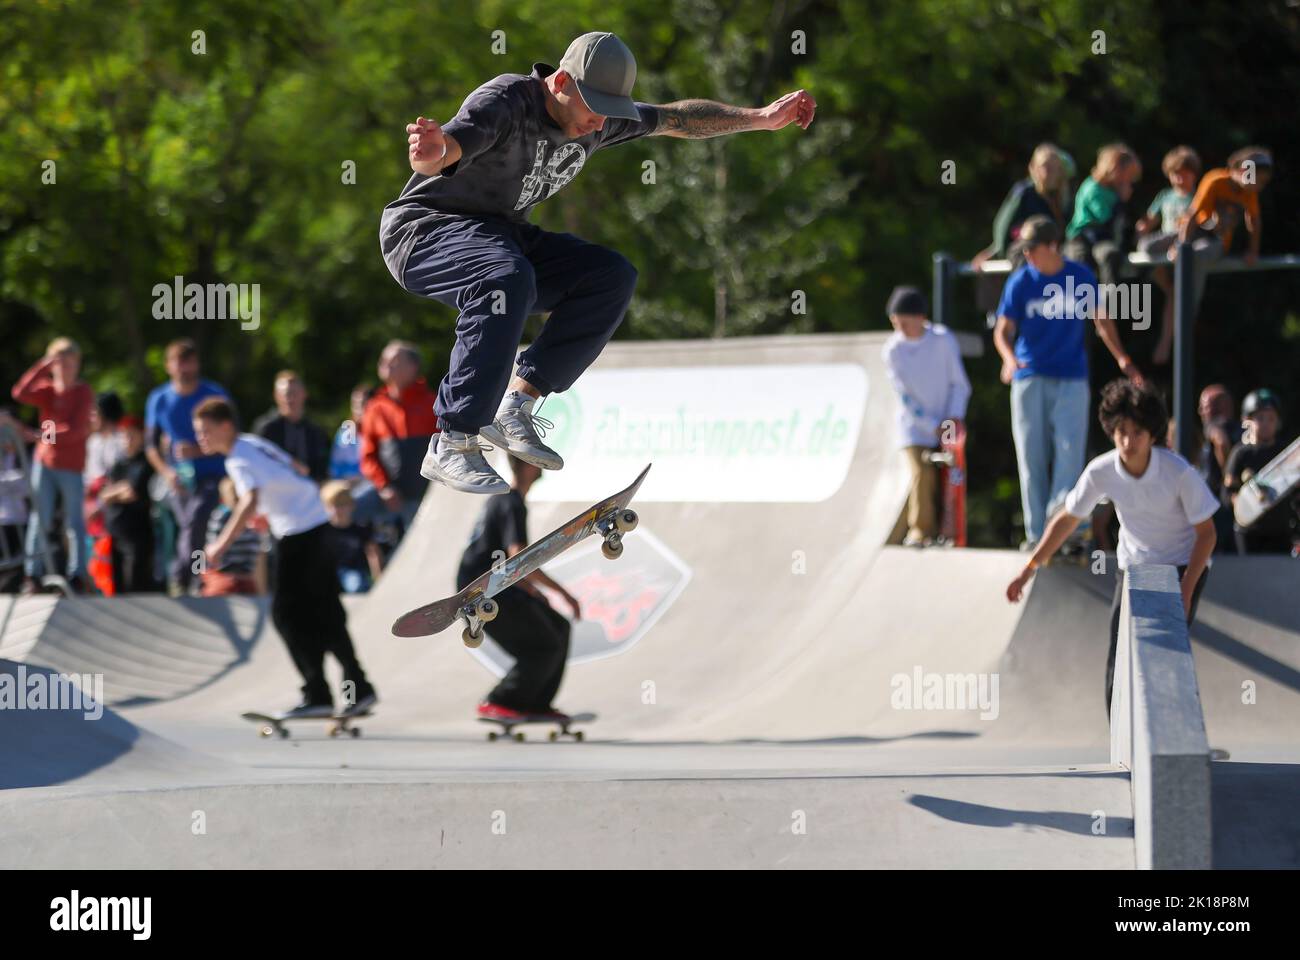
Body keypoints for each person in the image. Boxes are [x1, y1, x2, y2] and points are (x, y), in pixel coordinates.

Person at [382, 31, 816, 493]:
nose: (598, 125)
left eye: (608, 115)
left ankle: (517, 405)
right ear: (562, 82)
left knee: (609, 276)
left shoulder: (601, 119)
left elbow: (676, 119)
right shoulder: (508, 100)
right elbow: (453, 145)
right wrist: (435, 154)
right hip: (426, 231)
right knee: (505, 277)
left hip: (501, 235)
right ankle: (453, 440)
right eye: (593, 112)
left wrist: (760, 118)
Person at [1005, 380, 1217, 712]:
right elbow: (1067, 520)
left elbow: (1207, 534)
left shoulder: (1177, 472)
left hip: (1181, 565)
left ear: (1151, 434)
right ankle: (1121, 739)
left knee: (1165, 650)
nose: (1128, 441)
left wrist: (1186, 589)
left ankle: (1177, 732)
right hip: (1133, 566)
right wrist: (1028, 569)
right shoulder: (1101, 471)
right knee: (1120, 649)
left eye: (1136, 433)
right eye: (1120, 432)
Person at [194, 398, 377, 717]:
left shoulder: (237, 459)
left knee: (286, 614)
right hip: (317, 524)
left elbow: (249, 499)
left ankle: (317, 692)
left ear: (225, 427)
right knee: (326, 610)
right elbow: (298, 469)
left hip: (300, 535)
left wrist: (219, 545)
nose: (201, 439)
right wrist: (272, 510)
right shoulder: (253, 443)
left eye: (206, 432)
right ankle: (358, 688)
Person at [993, 216, 1143, 549]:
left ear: (1053, 247)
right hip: (1029, 377)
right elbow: (1002, 331)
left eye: (1033, 250)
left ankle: (1057, 530)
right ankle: (1036, 535)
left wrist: (1123, 359)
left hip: (1071, 378)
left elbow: (1102, 322)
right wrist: (1007, 358)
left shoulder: (1080, 276)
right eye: (1025, 251)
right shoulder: (1020, 282)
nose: (1028, 256)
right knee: (1031, 456)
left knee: (1069, 454)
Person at [457, 455, 581, 722]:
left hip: (496, 584)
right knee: (544, 646)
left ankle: (536, 703)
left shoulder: (501, 499)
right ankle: (498, 701)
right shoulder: (511, 502)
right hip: (484, 591)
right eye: (539, 462)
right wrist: (561, 592)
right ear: (528, 465)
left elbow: (509, 562)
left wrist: (533, 591)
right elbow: (519, 557)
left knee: (559, 627)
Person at [881, 286, 971, 546]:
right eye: (896, 323)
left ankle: (951, 530)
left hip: (949, 422)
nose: (901, 330)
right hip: (914, 427)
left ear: (921, 317)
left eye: (905, 323)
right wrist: (932, 426)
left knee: (950, 474)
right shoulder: (892, 351)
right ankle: (921, 530)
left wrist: (953, 419)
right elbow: (904, 396)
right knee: (922, 470)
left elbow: (959, 383)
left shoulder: (943, 340)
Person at [144, 339, 230, 593]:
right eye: (179, 363)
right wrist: (167, 472)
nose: (184, 369)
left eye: (189, 362)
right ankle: (196, 576)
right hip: (178, 477)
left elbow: (230, 437)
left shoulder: (214, 394)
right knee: (190, 529)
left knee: (196, 521)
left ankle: (185, 578)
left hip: (213, 474)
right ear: (169, 366)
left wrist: (197, 450)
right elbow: (150, 445)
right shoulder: (159, 399)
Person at [11, 337, 94, 593]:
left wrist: (43, 436)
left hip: (70, 466)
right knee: (40, 519)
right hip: (44, 464)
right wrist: (42, 366)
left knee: (74, 522)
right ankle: (32, 575)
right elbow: (20, 393)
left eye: (69, 363)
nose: (64, 368)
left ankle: (77, 574)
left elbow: (77, 429)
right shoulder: (47, 390)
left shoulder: (82, 392)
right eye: (60, 363)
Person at [1177, 147, 1273, 317]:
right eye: (1259, 180)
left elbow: (1254, 221)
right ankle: (1173, 291)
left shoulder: (1249, 193)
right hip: (1194, 233)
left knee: (1197, 255)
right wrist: (1182, 246)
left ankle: (1189, 307)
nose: (1259, 187)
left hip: (1216, 242)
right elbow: (1193, 215)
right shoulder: (1216, 180)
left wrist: (1253, 251)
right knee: (1150, 246)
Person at [356, 342, 439, 535]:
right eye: (383, 360)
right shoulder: (375, 407)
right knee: (345, 510)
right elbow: (368, 456)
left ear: (413, 367)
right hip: (387, 495)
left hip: (425, 497)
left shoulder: (432, 403)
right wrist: (384, 487)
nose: (386, 364)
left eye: (394, 360)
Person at [1134, 146, 1201, 366]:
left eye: (1185, 173)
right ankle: (1165, 342)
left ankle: (1166, 343)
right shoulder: (1165, 196)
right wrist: (1142, 226)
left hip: (1181, 243)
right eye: (1176, 174)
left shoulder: (1197, 198)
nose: (1180, 179)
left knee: (1177, 297)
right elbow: (1150, 221)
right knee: (1146, 247)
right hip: (1163, 246)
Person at [1222, 388, 1294, 555]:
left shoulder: (1284, 453)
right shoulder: (1241, 453)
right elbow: (1228, 492)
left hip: (1280, 530)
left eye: (1271, 419)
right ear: (1247, 421)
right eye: (1260, 418)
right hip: (1249, 532)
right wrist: (1245, 506)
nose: (1266, 424)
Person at [1064, 144, 1142, 287]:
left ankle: (1107, 304)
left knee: (1110, 255)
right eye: (1128, 175)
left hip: (1101, 240)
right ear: (1115, 169)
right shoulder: (1093, 188)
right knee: (1081, 262)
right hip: (1082, 238)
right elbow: (1105, 218)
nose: (1129, 181)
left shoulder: (1113, 190)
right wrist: (1121, 202)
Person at [98, 416, 159, 593]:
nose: (127, 440)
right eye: (124, 436)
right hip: (115, 532)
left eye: (132, 435)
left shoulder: (145, 462)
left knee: (135, 583)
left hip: (137, 533)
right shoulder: (118, 463)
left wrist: (114, 492)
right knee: (116, 586)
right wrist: (119, 490)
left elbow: (132, 492)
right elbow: (104, 495)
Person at [251, 370, 331, 483]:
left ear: (304, 394)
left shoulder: (316, 432)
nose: (290, 399)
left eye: (294, 393)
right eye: (286, 394)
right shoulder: (266, 429)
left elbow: (322, 471)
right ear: (276, 396)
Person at [199, 478, 266, 596]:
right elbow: (208, 552)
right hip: (223, 577)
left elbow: (258, 557)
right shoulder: (222, 516)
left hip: (243, 579)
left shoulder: (255, 519)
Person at [1196, 384, 1241, 553]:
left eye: (1205, 406)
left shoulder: (1213, 425)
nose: (1200, 411)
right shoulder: (1240, 429)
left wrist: (1227, 473)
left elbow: (1221, 442)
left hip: (1216, 501)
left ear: (1221, 407)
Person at [320, 480, 383, 594]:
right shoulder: (324, 531)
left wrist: (378, 579)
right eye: (332, 506)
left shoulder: (361, 528)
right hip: (331, 573)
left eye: (341, 505)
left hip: (355, 571)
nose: (336, 511)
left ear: (351, 505)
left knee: (356, 583)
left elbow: (373, 554)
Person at [329, 384, 372, 482]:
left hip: (370, 484)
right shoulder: (346, 431)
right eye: (355, 404)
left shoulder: (380, 432)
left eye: (362, 404)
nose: (358, 409)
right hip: (346, 483)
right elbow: (335, 466)